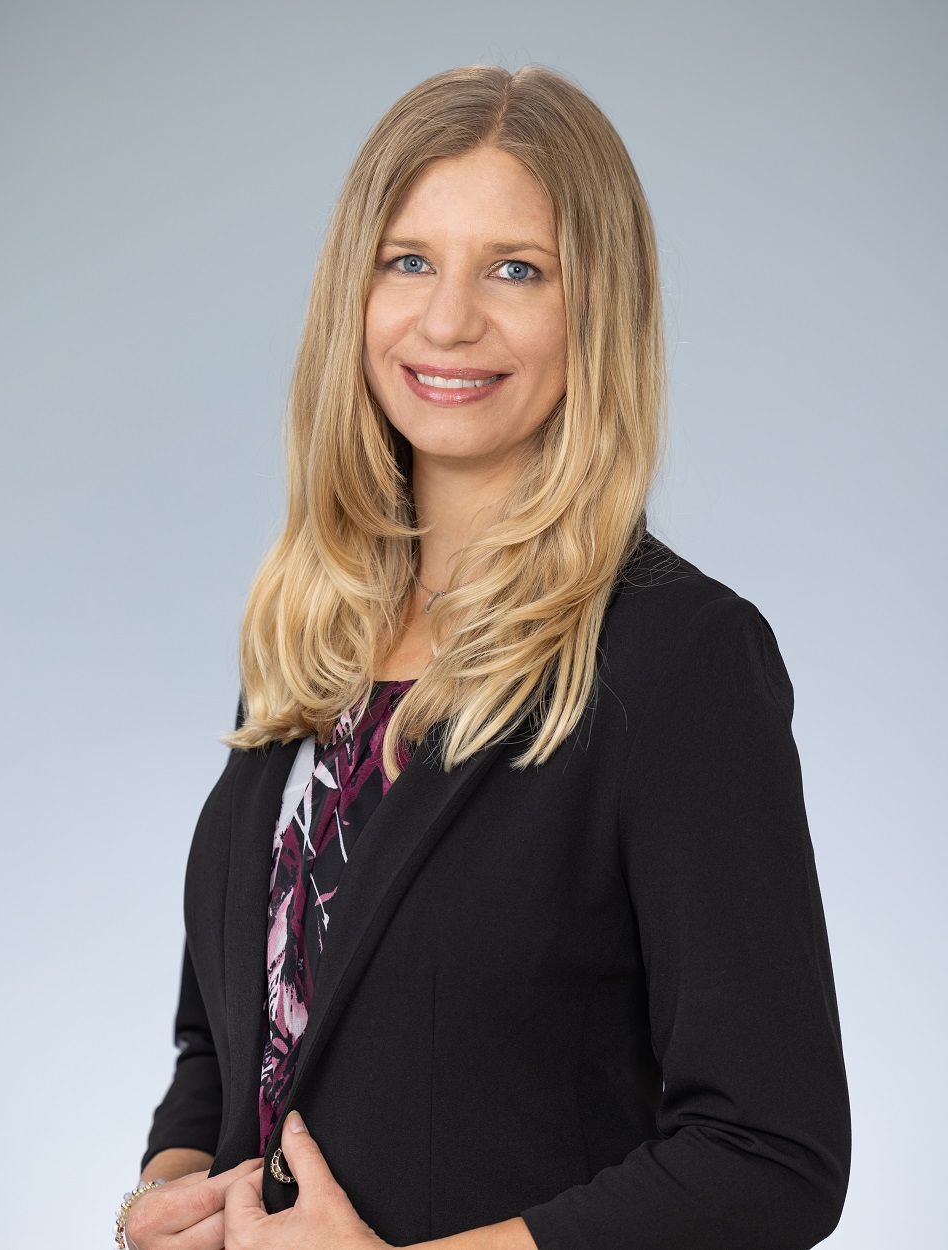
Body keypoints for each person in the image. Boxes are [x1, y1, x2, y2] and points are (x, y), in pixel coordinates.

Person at [119, 64, 851, 1250]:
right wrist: (169, 1185)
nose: (448, 319)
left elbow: (771, 1151)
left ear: (594, 307)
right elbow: (232, 1028)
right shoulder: (314, 635)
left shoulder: (680, 659)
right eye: (408, 260)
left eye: (517, 268)